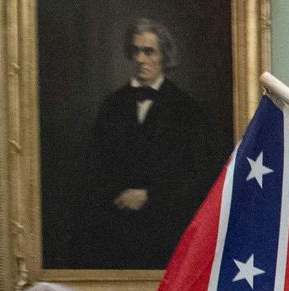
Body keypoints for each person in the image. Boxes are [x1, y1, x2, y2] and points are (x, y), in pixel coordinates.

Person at [86, 18, 220, 270]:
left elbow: (199, 174)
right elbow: (94, 167)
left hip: (165, 232)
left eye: (149, 51)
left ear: (164, 56)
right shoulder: (111, 105)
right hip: (115, 232)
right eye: (136, 51)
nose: (140, 59)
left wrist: (151, 196)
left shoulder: (186, 109)